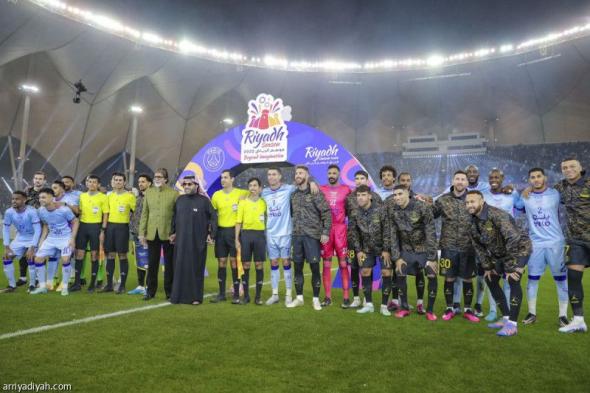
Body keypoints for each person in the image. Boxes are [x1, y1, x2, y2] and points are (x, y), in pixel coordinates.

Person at [466, 190, 531, 336]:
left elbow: (513, 239)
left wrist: (510, 267)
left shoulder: (496, 214)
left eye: (472, 201)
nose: (469, 205)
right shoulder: (472, 220)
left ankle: (512, 325)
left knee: (513, 280)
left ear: (481, 201)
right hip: (500, 254)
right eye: (467, 202)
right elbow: (478, 246)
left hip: (519, 250)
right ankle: (505, 317)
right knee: (490, 278)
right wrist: (488, 266)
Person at [515, 168, 569, 326]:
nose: (536, 179)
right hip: (535, 244)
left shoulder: (555, 194)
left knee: (560, 279)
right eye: (533, 177)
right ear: (529, 180)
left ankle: (563, 316)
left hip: (556, 243)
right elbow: (515, 209)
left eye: (539, 176)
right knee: (532, 279)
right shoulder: (525, 196)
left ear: (544, 178)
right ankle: (532, 313)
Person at [262, 167, 319, 306]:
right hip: (270, 233)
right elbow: (251, 193)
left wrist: (312, 182)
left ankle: (288, 294)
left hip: (286, 233)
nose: (271, 177)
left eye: (274, 174)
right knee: (274, 263)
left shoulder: (289, 189)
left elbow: (303, 184)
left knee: (286, 262)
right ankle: (274, 294)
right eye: (269, 174)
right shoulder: (264, 192)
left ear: (280, 176)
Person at [433, 170, 480, 322]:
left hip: (469, 248)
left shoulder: (473, 199)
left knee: (467, 279)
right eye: (457, 179)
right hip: (448, 247)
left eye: (463, 179)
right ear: (453, 181)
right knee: (449, 278)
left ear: (467, 182)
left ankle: (467, 309)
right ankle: (449, 308)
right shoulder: (443, 200)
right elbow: (430, 214)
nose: (460, 182)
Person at [388, 185, 438, 320]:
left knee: (432, 275)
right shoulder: (393, 210)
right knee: (400, 272)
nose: (397, 197)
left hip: (424, 250)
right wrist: (397, 257)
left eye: (400, 194)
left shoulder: (422, 207)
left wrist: (432, 258)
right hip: (406, 250)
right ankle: (404, 308)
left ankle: (430, 310)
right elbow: (393, 235)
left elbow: (431, 233)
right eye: (395, 195)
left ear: (408, 193)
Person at [287, 165, 332, 311]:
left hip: (312, 236)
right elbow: (293, 214)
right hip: (297, 236)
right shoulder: (293, 195)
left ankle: (316, 299)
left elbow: (326, 212)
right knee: (297, 267)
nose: (298, 175)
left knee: (314, 268)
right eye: (296, 173)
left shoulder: (315, 192)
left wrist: (325, 232)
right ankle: (299, 298)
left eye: (301, 173)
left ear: (307, 175)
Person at [477, 168, 520, 320]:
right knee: (491, 278)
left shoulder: (512, 194)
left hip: (509, 243)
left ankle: (506, 315)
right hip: (492, 245)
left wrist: (516, 189)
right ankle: (494, 311)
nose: (494, 179)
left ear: (503, 178)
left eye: (497, 177)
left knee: (509, 280)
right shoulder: (485, 195)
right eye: (491, 177)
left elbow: (522, 205)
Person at [554, 157, 589, 333]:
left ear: (580, 168)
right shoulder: (561, 187)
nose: (568, 170)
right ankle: (578, 320)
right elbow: (543, 192)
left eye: (572, 166)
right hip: (575, 240)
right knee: (574, 278)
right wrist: (529, 189)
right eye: (564, 167)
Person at [169, 176, 217, 305]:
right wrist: (172, 233)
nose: (187, 186)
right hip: (181, 242)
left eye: (190, 184)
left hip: (198, 242)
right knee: (179, 268)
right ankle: (177, 297)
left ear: (196, 185)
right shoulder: (179, 200)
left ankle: (196, 297)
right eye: (185, 184)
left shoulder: (204, 201)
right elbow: (174, 218)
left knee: (196, 268)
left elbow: (213, 218)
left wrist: (211, 234)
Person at [347, 185, 391, 315]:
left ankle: (384, 306)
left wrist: (386, 249)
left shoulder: (381, 210)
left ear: (370, 196)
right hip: (366, 249)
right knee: (365, 271)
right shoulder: (355, 212)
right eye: (358, 195)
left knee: (386, 273)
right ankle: (369, 304)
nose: (360, 198)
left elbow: (388, 230)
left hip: (383, 248)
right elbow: (353, 233)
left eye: (363, 195)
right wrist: (359, 250)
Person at [210, 170, 249, 303]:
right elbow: (213, 215)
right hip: (221, 232)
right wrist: (211, 232)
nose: (223, 180)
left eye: (225, 178)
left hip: (234, 232)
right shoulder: (216, 195)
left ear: (232, 179)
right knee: (221, 261)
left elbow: (256, 192)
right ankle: (221, 294)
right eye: (222, 178)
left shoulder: (241, 193)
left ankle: (237, 293)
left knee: (234, 262)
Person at [139, 168, 178, 301]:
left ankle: (170, 292)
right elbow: (144, 214)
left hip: (168, 234)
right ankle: (150, 292)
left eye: (160, 177)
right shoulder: (148, 193)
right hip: (151, 234)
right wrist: (141, 233)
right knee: (152, 263)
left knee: (169, 265)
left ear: (166, 179)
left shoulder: (174, 194)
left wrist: (175, 232)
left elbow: (176, 216)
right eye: (155, 177)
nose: (157, 179)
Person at [32, 188, 79, 296]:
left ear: (52, 198)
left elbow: (75, 221)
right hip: (51, 238)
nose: (41, 200)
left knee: (66, 259)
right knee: (38, 259)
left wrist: (72, 239)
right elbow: (46, 225)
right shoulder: (41, 211)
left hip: (65, 238)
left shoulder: (64, 210)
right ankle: (43, 287)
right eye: (40, 198)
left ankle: (65, 287)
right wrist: (41, 241)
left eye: (43, 197)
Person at [346, 170, 382, 308]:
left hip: (370, 242)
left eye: (362, 178)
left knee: (367, 268)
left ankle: (368, 299)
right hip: (353, 240)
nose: (359, 180)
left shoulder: (376, 197)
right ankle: (356, 298)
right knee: (354, 267)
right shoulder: (349, 198)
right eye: (357, 178)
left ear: (367, 181)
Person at [319, 165, 351, 307]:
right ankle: (327, 297)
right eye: (329, 173)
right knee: (326, 264)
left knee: (343, 264)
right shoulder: (321, 189)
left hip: (340, 230)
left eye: (334, 173)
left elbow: (350, 210)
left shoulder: (346, 190)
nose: (331, 175)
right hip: (326, 230)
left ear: (339, 174)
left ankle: (346, 297)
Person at [71, 175, 109, 292]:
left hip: (96, 227)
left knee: (94, 255)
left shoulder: (103, 197)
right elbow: (79, 212)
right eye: (89, 182)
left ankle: (92, 284)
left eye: (94, 182)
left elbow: (105, 214)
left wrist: (103, 229)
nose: (91, 184)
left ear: (98, 185)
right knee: (79, 254)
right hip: (83, 226)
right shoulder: (82, 196)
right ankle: (77, 283)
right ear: (86, 183)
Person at [235, 178, 266, 305]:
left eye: (255, 185)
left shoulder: (264, 203)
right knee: (246, 265)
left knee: (259, 264)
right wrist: (236, 239)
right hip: (246, 235)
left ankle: (258, 296)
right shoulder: (242, 203)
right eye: (250, 186)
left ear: (260, 188)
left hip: (259, 235)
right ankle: (246, 296)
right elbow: (238, 222)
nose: (252, 188)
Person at [2, 191, 41, 293]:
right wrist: (6, 246)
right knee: (6, 257)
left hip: (32, 238)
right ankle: (12, 286)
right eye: (13, 199)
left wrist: (32, 247)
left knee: (30, 258)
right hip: (20, 238)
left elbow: (37, 230)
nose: (14, 201)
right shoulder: (9, 212)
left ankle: (32, 285)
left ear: (24, 200)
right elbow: (5, 229)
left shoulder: (31, 211)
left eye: (17, 199)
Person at [103, 172, 136, 294]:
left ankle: (122, 285)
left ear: (124, 182)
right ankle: (110, 284)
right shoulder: (109, 196)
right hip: (110, 227)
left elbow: (135, 212)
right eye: (115, 180)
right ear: (112, 181)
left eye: (120, 180)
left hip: (123, 227)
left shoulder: (130, 196)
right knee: (110, 255)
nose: (118, 182)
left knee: (122, 255)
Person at [128, 174, 152, 295]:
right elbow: (133, 216)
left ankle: (148, 286)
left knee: (148, 261)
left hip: (147, 235)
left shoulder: (152, 197)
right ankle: (140, 285)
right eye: (139, 182)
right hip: (135, 234)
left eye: (143, 181)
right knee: (139, 261)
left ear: (149, 183)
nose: (140, 183)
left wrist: (147, 233)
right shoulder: (137, 198)